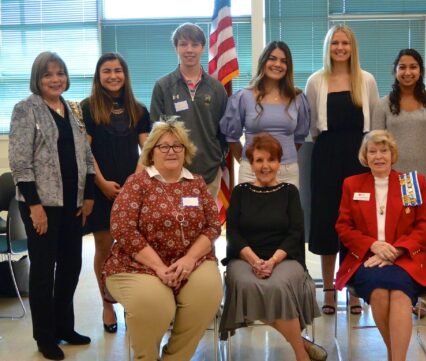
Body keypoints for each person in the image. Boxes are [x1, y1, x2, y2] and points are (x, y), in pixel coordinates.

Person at [104, 119, 223, 361]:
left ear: (186, 151)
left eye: (177, 146)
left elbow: (212, 226)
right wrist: (159, 267)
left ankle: (175, 357)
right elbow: (122, 229)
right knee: (156, 305)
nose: (171, 151)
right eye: (163, 146)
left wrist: (190, 259)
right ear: (151, 152)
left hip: (191, 262)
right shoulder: (136, 183)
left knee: (207, 295)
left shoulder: (197, 183)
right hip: (138, 265)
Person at [9, 51, 95, 360]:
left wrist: (88, 196)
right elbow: (20, 163)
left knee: (72, 266)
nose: (55, 79)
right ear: (37, 79)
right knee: (44, 271)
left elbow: (84, 155)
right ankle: (45, 337)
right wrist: (34, 207)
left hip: (72, 203)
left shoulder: (71, 109)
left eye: (60, 73)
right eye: (48, 74)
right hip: (41, 206)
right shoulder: (25, 110)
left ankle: (64, 327)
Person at [219, 133, 326, 361]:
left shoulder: (289, 192)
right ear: (251, 163)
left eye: (271, 160)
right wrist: (254, 260)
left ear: (279, 163)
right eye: (259, 160)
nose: (265, 166)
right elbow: (234, 233)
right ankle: (303, 346)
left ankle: (300, 355)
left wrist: (272, 261)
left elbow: (295, 233)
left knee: (277, 287)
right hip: (245, 259)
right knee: (247, 285)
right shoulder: (240, 192)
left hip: (285, 259)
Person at [335, 130, 426, 361]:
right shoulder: (352, 184)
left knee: (400, 294)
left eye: (384, 150)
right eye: (373, 151)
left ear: (393, 154)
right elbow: (344, 227)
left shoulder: (409, 183)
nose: (379, 156)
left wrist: (396, 250)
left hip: (405, 257)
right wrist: (373, 245)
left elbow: (424, 224)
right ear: (365, 156)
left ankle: (395, 358)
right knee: (379, 293)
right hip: (366, 259)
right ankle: (396, 356)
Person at [305, 24, 379, 315]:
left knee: (356, 224)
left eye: (345, 43)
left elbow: (373, 125)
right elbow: (312, 126)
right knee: (327, 223)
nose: (339, 48)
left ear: (352, 47)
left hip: (357, 158)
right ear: (328, 47)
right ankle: (329, 289)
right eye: (335, 42)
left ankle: (354, 289)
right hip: (325, 158)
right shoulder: (316, 81)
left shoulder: (367, 80)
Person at [81, 52, 151, 334]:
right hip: (101, 189)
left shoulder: (139, 109)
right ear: (98, 76)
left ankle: (134, 304)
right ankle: (107, 305)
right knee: (104, 249)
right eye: (107, 71)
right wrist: (100, 182)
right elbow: (84, 151)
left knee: (135, 249)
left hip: (133, 190)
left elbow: (147, 149)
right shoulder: (86, 109)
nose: (113, 76)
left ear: (125, 74)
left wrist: (133, 184)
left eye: (118, 70)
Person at [372, 48, 426, 318]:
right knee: (394, 238)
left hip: (424, 183)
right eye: (402, 66)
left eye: (413, 66)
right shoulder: (383, 104)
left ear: (421, 70)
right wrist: (384, 182)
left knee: (422, 241)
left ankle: (422, 295)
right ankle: (397, 291)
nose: (407, 72)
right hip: (393, 184)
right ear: (395, 71)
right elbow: (376, 146)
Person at [150, 22, 228, 198]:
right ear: (176, 48)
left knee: (205, 224)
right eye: (183, 44)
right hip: (172, 173)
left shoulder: (216, 88)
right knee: (176, 224)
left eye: (194, 44)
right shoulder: (163, 86)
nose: (189, 50)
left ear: (202, 48)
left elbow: (224, 132)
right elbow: (155, 132)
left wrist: (219, 160)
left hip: (209, 172)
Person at [220, 41, 310, 188]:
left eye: (283, 61)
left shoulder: (297, 97)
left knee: (286, 211)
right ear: (263, 61)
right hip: (251, 170)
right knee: (250, 211)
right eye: (272, 58)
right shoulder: (244, 96)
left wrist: (281, 158)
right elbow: (232, 137)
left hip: (287, 171)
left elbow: (299, 137)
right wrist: (249, 161)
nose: (278, 64)